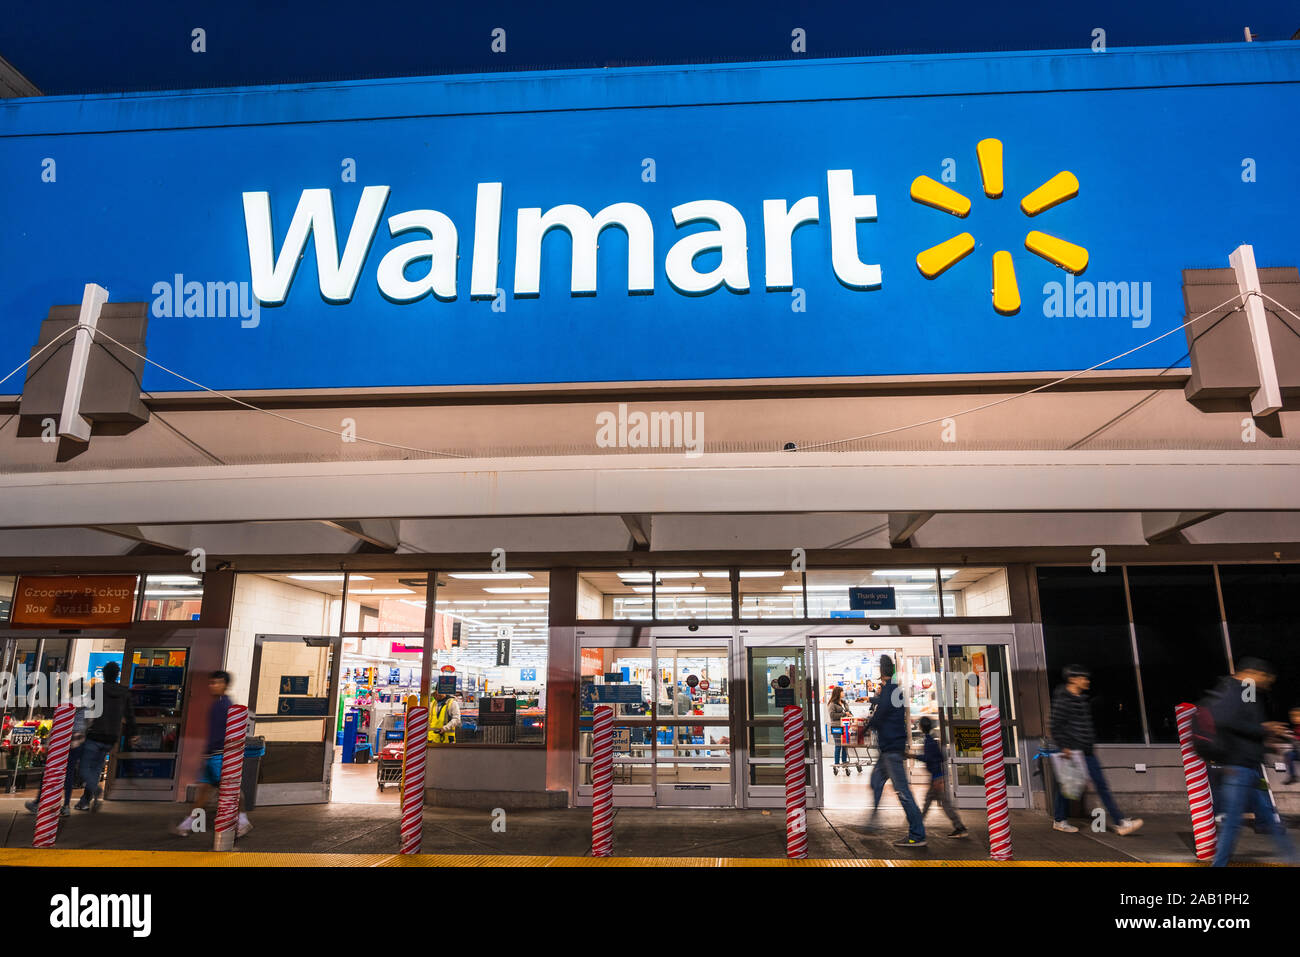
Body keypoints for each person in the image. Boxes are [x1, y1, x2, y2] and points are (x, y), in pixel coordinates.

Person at [1210, 658, 1297, 867]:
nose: (1266, 683)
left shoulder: (1247, 690)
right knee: (1233, 822)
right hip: (1239, 767)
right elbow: (1225, 721)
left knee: (1269, 819)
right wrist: (1265, 730)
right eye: (1265, 678)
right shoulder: (1233, 689)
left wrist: (1267, 738)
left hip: (1251, 767)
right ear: (1251, 673)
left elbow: (1249, 723)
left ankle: (1293, 858)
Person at [1049, 665, 1143, 836]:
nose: (1086, 681)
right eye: (1083, 678)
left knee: (1101, 785)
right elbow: (1055, 726)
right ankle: (1060, 820)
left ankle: (1120, 822)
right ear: (1073, 679)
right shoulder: (1063, 701)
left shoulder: (1082, 700)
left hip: (1087, 751)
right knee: (1067, 787)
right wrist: (1065, 746)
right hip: (1072, 752)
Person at [177, 671, 251, 838]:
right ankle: (189, 823)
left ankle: (243, 820)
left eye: (217, 683)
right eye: (211, 683)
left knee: (230, 790)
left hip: (219, 755)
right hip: (211, 755)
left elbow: (225, 733)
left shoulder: (226, 705)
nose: (213, 686)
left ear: (225, 685)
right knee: (204, 791)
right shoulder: (216, 704)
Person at [866, 654, 927, 847]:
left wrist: (865, 728)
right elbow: (886, 707)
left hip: (891, 749)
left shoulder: (890, 689)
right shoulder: (894, 690)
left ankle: (917, 834)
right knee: (876, 781)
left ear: (881, 671)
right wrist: (873, 700)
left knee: (903, 792)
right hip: (888, 749)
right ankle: (873, 821)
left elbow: (882, 714)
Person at [77, 661, 138, 811]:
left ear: (104, 674)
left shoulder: (97, 689)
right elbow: (130, 715)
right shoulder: (124, 692)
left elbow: (85, 707)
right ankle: (87, 800)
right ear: (117, 675)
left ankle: (95, 790)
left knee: (84, 768)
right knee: (96, 768)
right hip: (111, 737)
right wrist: (133, 733)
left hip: (95, 734)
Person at [25, 692, 88, 818]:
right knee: (69, 774)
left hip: (62, 742)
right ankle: (66, 805)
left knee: (50, 771)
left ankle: (39, 803)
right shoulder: (87, 706)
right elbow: (88, 724)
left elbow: (57, 724)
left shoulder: (65, 704)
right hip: (78, 743)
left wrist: (49, 743)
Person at [917, 716, 968, 838]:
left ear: (922, 727)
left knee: (942, 804)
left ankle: (959, 827)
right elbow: (940, 757)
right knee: (930, 802)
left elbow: (931, 759)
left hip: (936, 778)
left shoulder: (929, 741)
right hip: (937, 777)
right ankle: (918, 824)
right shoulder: (932, 739)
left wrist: (914, 756)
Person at [828, 686, 852, 768]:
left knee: (845, 745)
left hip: (845, 726)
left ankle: (844, 761)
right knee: (838, 745)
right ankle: (837, 763)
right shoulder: (832, 704)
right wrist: (844, 714)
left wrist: (850, 714)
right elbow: (832, 715)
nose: (843, 693)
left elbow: (849, 711)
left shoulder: (844, 703)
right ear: (838, 693)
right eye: (842, 692)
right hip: (836, 727)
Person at [1283, 706, 1300, 785]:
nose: (1294, 718)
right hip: (1297, 751)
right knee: (1288, 755)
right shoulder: (1295, 728)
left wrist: (1292, 736)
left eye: (1297, 716)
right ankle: (1293, 776)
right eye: (1292, 717)